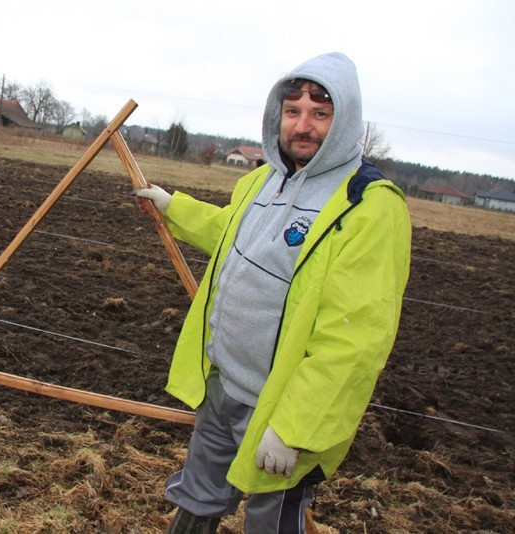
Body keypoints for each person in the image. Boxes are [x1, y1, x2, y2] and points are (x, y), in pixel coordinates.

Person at [134, 52, 411, 533]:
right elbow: (232, 234)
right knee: (198, 495)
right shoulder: (261, 179)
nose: (303, 126)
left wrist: (294, 428)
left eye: (320, 114)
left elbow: (354, 340)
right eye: (293, 111)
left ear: (345, 121)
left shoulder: (368, 206)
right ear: (276, 115)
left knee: (271, 521)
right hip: (221, 385)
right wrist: (173, 206)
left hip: (279, 408)